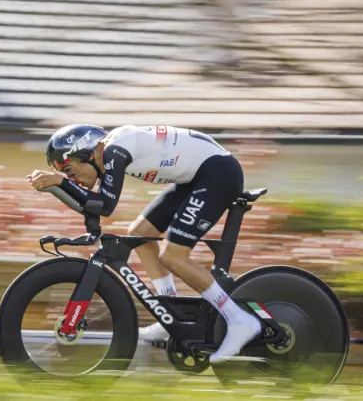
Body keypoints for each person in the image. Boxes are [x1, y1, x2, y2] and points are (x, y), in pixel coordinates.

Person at [27, 123, 261, 363]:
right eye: (66, 174)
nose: (71, 177)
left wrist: (59, 183)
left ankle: (239, 320)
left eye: (69, 169)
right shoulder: (110, 149)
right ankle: (169, 314)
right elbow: (92, 204)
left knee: (173, 256)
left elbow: (105, 207)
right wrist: (59, 185)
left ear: (85, 152)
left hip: (218, 174)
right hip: (197, 177)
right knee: (139, 234)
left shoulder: (114, 151)